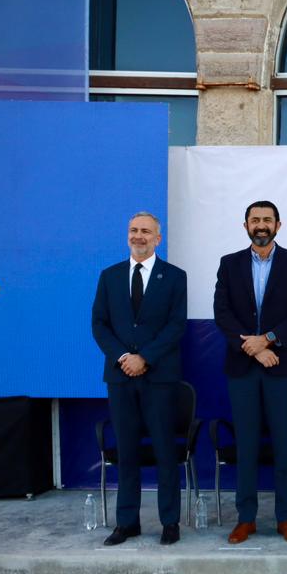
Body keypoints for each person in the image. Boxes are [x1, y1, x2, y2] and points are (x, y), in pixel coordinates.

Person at [214, 200, 287, 545]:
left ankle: (285, 517)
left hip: (281, 368)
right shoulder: (229, 264)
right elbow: (222, 313)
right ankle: (246, 519)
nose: (261, 225)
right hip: (242, 368)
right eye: (254, 219)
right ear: (245, 225)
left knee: (284, 445)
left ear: (277, 225)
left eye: (267, 220)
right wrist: (254, 349)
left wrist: (268, 339)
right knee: (246, 445)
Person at [91, 212, 188, 546]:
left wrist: (144, 357)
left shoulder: (174, 277)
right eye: (133, 230)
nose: (139, 236)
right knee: (127, 451)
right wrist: (124, 357)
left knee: (164, 451)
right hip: (120, 378)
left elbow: (176, 325)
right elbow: (99, 324)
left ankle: (170, 522)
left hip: (159, 378)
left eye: (146, 231)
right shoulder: (110, 276)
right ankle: (127, 522)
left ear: (158, 238)